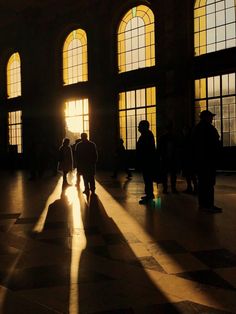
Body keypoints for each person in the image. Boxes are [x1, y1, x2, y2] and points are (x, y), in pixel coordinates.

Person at [192, 110, 222, 213]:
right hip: (208, 161)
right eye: (210, 117)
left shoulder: (198, 128)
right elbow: (213, 143)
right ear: (206, 117)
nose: (212, 119)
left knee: (204, 183)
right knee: (208, 183)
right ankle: (208, 205)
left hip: (202, 161)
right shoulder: (207, 128)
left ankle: (204, 205)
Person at [136, 120, 156, 204]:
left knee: (148, 178)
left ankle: (149, 196)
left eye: (140, 126)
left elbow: (144, 149)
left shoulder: (146, 135)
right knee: (147, 179)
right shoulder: (147, 134)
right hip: (147, 160)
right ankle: (149, 194)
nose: (138, 128)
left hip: (147, 161)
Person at [158, 123, 179, 194]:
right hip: (171, 158)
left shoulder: (162, 138)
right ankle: (172, 188)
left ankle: (166, 189)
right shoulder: (175, 137)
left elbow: (159, 149)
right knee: (172, 175)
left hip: (166, 158)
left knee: (165, 175)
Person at [181, 125, 198, 194]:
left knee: (190, 175)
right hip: (189, 159)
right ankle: (192, 188)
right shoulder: (191, 138)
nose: (184, 132)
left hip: (188, 159)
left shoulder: (187, 139)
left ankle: (192, 188)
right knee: (190, 175)